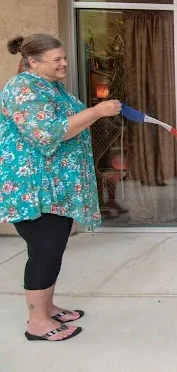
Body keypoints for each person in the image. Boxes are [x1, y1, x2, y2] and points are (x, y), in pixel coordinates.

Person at [1, 34, 121, 341]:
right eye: (57, 59)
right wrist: (97, 112)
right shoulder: (22, 88)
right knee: (44, 250)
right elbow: (48, 133)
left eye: (64, 57)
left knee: (52, 248)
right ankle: (37, 323)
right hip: (35, 188)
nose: (64, 63)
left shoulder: (50, 86)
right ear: (33, 62)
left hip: (56, 187)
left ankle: (48, 307)